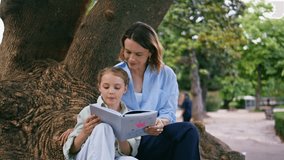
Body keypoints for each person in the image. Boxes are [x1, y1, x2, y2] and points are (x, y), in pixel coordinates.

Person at [59, 21, 200, 160]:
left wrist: (160, 123)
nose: (131, 59)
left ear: (150, 52)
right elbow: (105, 104)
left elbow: (168, 111)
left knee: (189, 131)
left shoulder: (166, 74)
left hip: (153, 137)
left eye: (138, 54)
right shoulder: (117, 73)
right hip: (124, 142)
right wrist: (79, 131)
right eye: (128, 52)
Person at [63, 67, 140, 160]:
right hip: (87, 155)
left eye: (117, 87)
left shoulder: (129, 117)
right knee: (103, 127)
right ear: (99, 87)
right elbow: (72, 150)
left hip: (113, 156)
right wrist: (85, 132)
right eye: (106, 87)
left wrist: (121, 136)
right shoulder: (88, 111)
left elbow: (127, 153)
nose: (111, 91)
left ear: (125, 89)